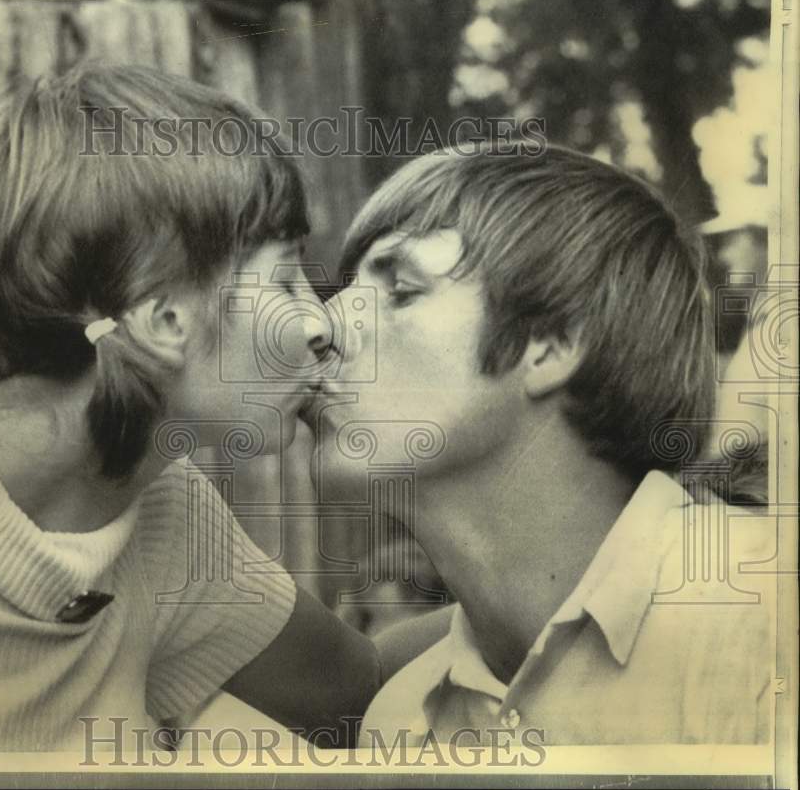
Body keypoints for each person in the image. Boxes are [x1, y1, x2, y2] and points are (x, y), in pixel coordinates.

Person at [0, 63, 390, 755]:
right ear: (163, 320)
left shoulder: (166, 516)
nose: (320, 323)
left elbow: (365, 695)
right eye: (284, 277)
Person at [308, 145, 775, 746]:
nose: (319, 326)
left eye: (400, 290)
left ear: (551, 343)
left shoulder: (767, 621)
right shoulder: (399, 723)